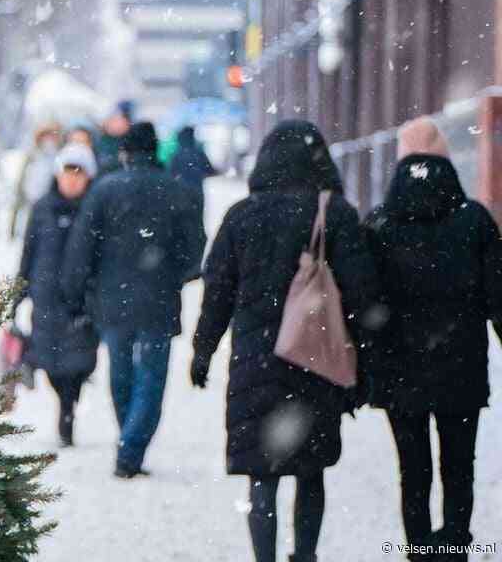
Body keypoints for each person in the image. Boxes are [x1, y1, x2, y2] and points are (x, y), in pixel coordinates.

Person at [190, 120, 377, 562]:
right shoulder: (334, 214)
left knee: (262, 474)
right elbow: (362, 294)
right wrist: (365, 364)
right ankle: (306, 555)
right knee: (311, 472)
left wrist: (203, 350)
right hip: (317, 360)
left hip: (257, 364)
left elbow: (217, 290)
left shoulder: (241, 216)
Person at [361, 118, 502, 561]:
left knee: (413, 468)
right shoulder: (474, 219)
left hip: (400, 369)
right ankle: (455, 543)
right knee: (460, 466)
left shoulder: (380, 223)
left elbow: (365, 299)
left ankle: (419, 548)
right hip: (461, 366)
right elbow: (497, 295)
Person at [61, 121, 206, 477]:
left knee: (121, 373)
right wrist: (177, 276)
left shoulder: (103, 190)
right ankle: (132, 447)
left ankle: (128, 441)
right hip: (159, 300)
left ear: (124, 152)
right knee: (152, 379)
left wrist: (76, 293)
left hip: (113, 302)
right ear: (155, 151)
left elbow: (82, 247)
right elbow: (195, 249)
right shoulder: (177, 190)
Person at [16, 142, 101, 447]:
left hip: (81, 302)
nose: (72, 180)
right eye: (68, 172)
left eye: (79, 174)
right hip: (47, 298)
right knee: (52, 365)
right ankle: (64, 408)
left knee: (78, 365)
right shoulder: (41, 208)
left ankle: (68, 410)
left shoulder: (95, 209)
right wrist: (18, 293)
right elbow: (29, 253)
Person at [10, 122, 63, 238]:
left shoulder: (60, 159)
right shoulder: (32, 156)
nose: (49, 140)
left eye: (53, 136)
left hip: (49, 206)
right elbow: (22, 181)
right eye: (47, 136)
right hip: (28, 203)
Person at [169, 125, 217, 206]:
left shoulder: (176, 154)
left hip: (181, 192)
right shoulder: (199, 153)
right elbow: (210, 170)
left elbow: (171, 174)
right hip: (197, 191)